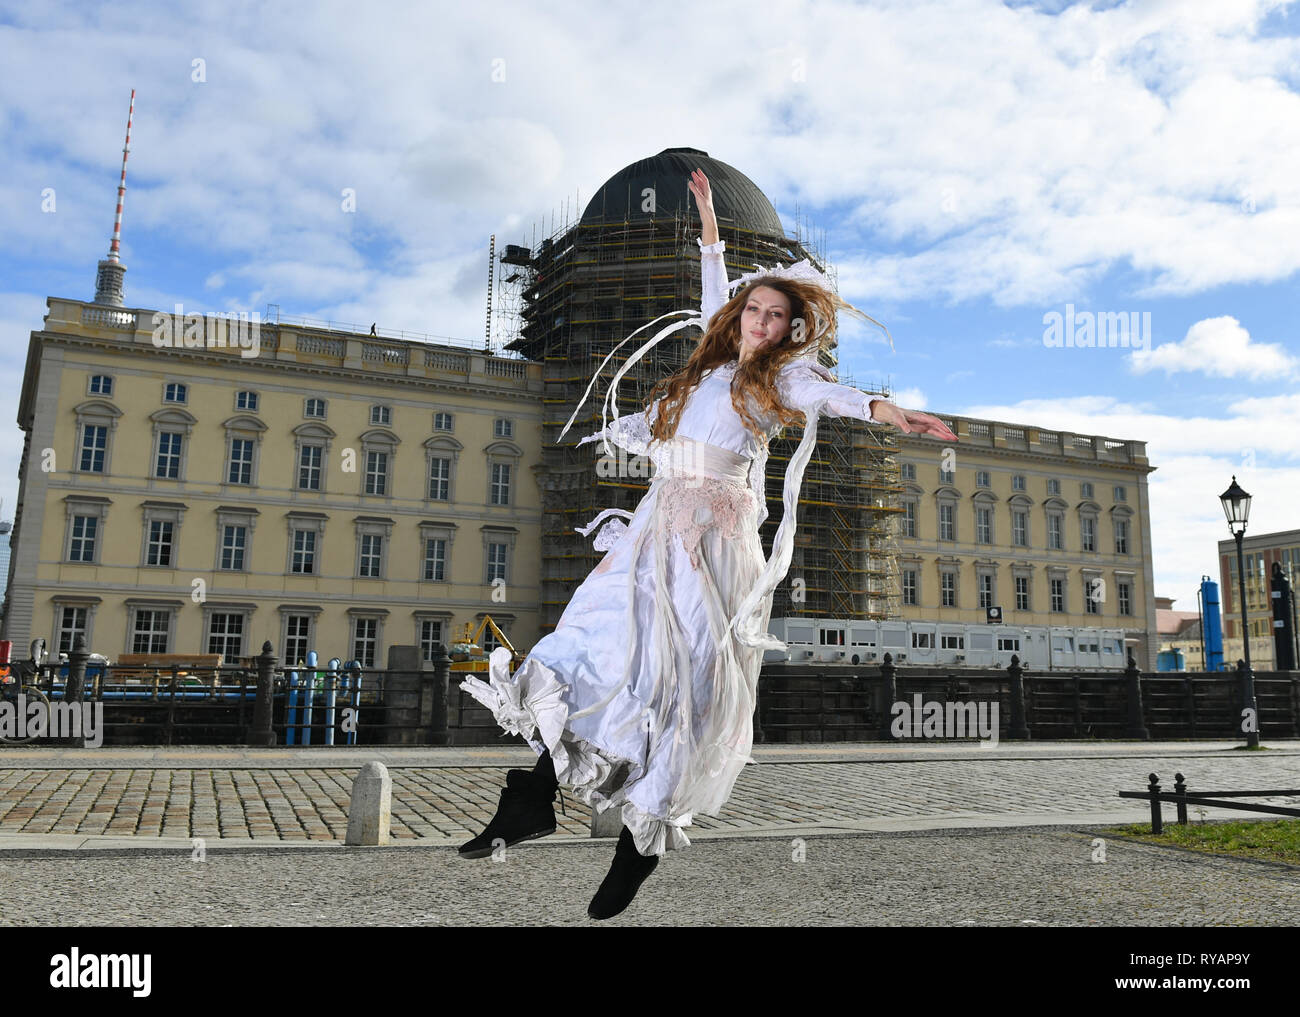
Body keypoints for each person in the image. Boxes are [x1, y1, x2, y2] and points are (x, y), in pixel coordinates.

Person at [459, 168, 957, 920]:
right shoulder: (709, 362)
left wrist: (887, 408)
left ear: (790, 329)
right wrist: (709, 226)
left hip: (711, 548)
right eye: (751, 309)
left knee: (683, 690)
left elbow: (833, 395)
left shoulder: (784, 379)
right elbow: (713, 287)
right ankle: (530, 796)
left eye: (772, 316)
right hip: (656, 531)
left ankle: (638, 849)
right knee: (580, 649)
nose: (757, 321)